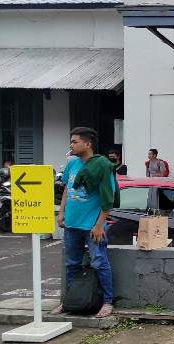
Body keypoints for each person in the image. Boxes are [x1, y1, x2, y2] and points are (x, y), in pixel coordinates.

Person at [50, 127, 118, 318]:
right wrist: (61, 212)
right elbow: (67, 189)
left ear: (87, 144)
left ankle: (107, 302)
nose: (71, 145)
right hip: (72, 225)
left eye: (75, 142)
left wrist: (99, 225)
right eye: (71, 141)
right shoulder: (72, 163)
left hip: (91, 226)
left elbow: (108, 198)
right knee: (71, 264)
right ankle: (70, 302)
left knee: (99, 262)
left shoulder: (101, 166)